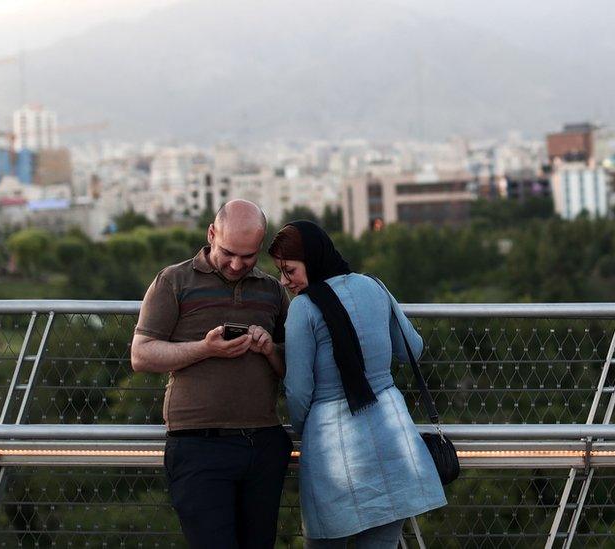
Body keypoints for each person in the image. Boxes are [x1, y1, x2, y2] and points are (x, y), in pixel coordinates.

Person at [268, 220, 447, 548]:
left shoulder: (304, 310)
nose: (284, 281)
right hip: (392, 430)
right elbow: (413, 349)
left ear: (311, 260)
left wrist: (303, 430)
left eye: (289, 270)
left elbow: (298, 390)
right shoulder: (374, 286)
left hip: (331, 444)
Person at [130, 199, 292, 548]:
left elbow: (292, 368)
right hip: (198, 444)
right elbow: (141, 355)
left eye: (248, 257)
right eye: (229, 252)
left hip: (263, 442)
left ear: (260, 249)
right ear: (211, 234)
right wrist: (205, 348)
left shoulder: (272, 291)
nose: (237, 264)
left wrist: (270, 350)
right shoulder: (173, 281)